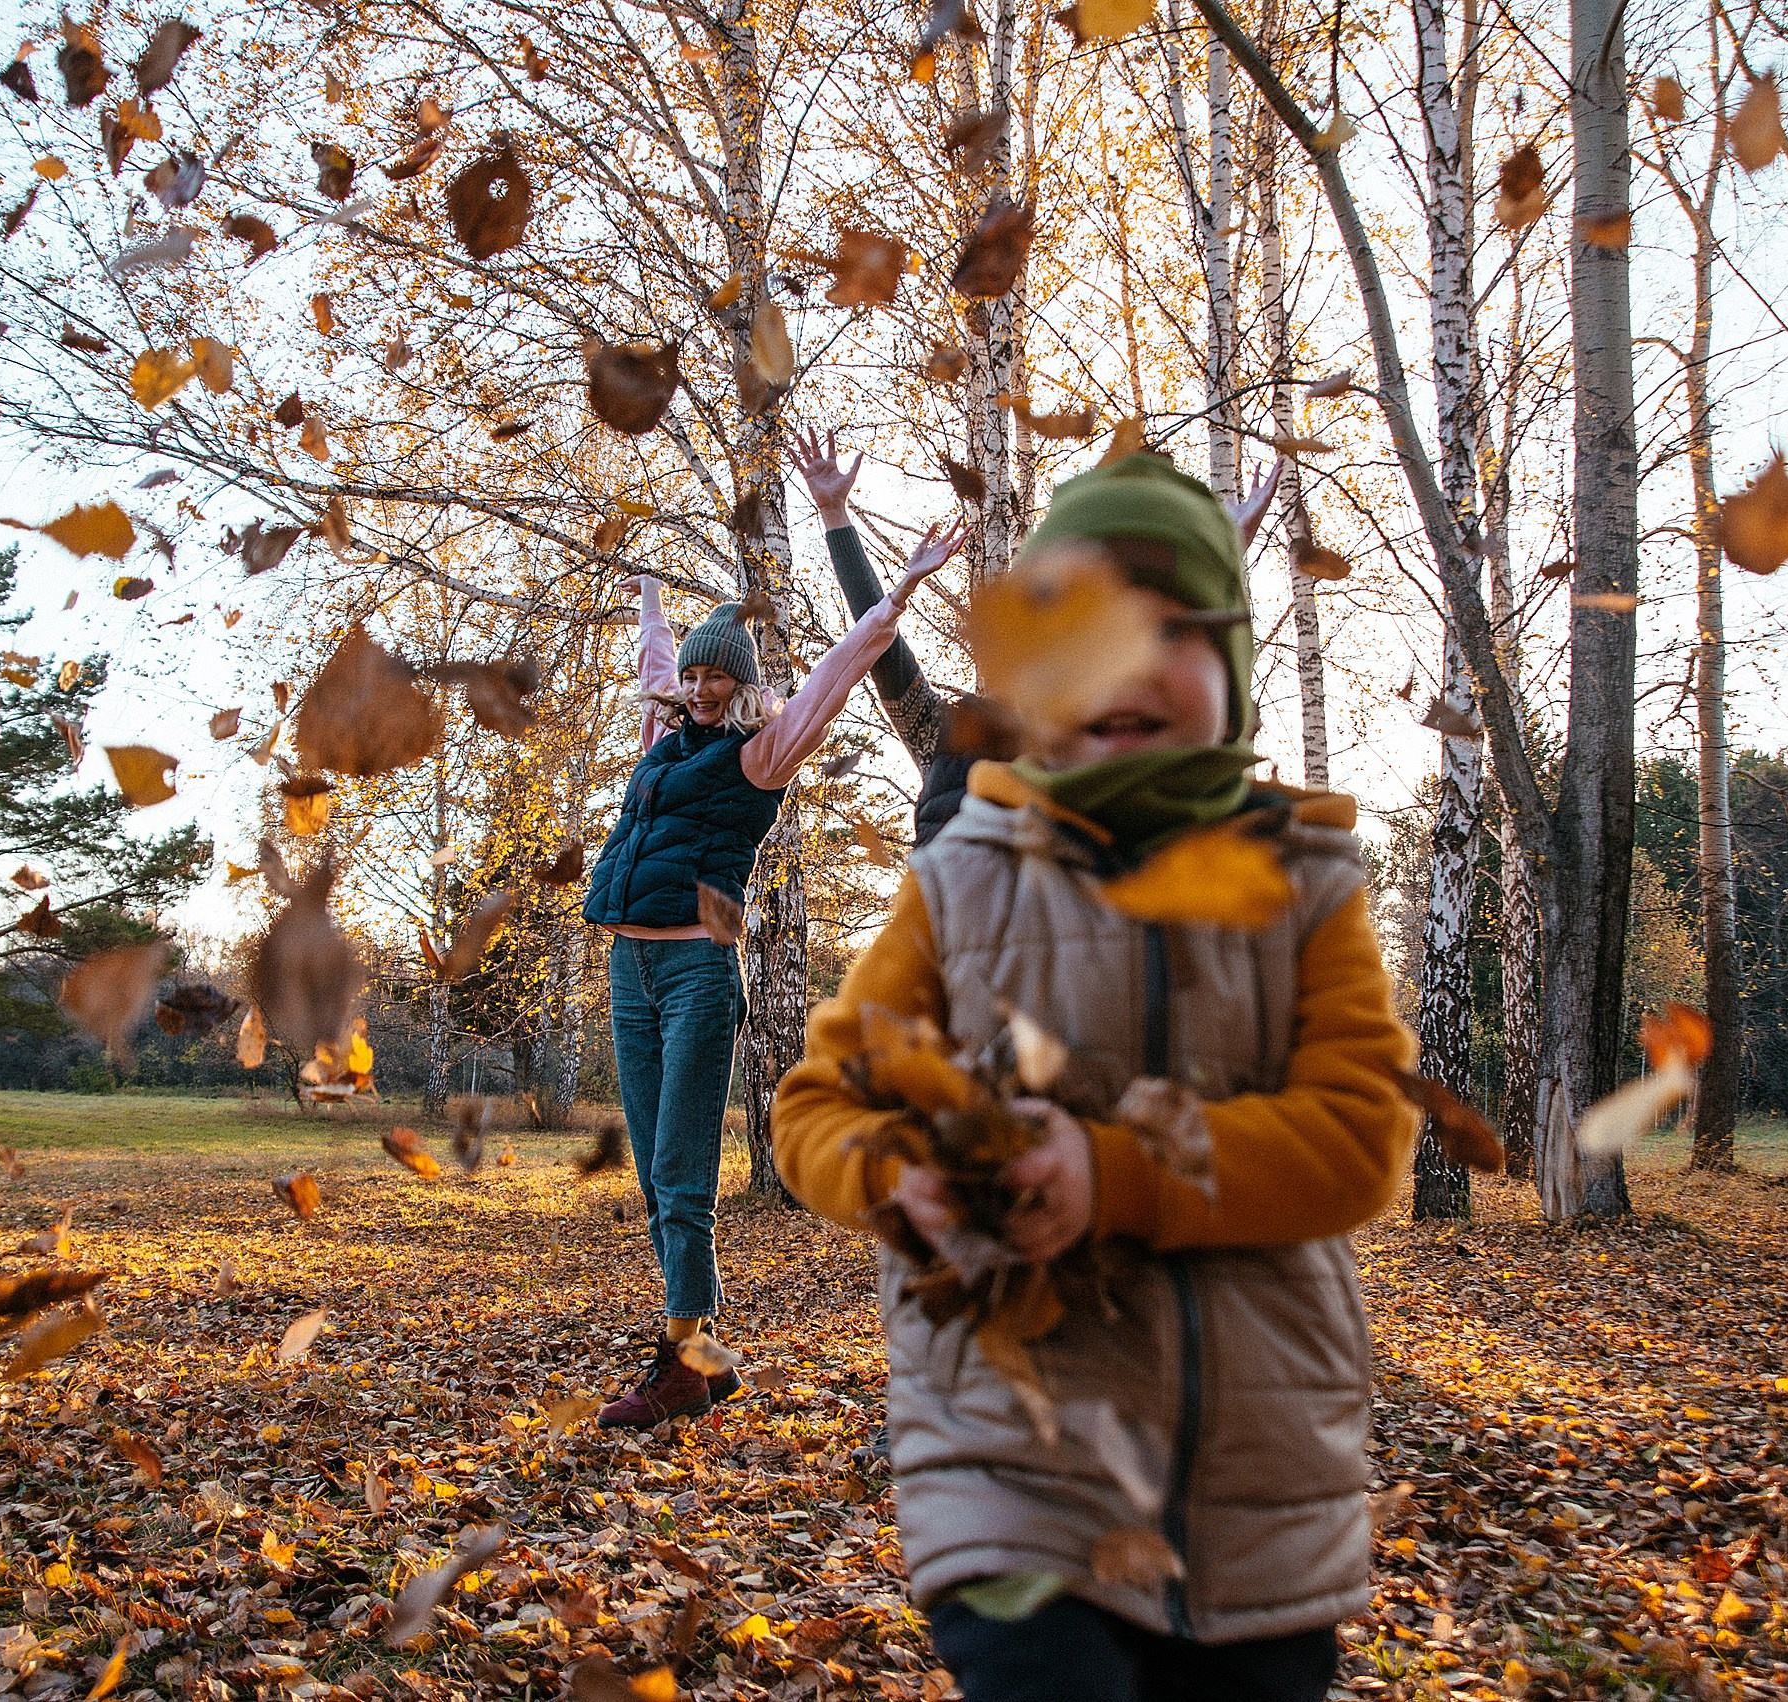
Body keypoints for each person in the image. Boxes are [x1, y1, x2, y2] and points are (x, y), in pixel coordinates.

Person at [770, 449, 1416, 1700]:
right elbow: (816, 1104)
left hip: (1256, 1479)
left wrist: (1113, 1172)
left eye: (1173, 628)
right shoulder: (957, 883)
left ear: (1233, 673)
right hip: (1013, 1456)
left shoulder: (1307, 887)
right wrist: (896, 1177)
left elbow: (1358, 1139)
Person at [583, 519, 964, 1430]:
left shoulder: (758, 755)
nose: (703, 687)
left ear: (743, 685)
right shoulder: (659, 741)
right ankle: (705, 1358)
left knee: (679, 1175)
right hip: (625, 966)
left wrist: (898, 595)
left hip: (693, 974)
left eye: (721, 675)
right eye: (697, 674)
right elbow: (652, 662)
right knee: (654, 1177)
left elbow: (834, 677)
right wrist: (645, 592)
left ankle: (680, 1364)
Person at [788, 425, 1286, 847]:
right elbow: (883, 653)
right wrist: (834, 516)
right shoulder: (954, 741)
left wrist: (1221, 561)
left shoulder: (1102, 756)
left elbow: (1205, 699)